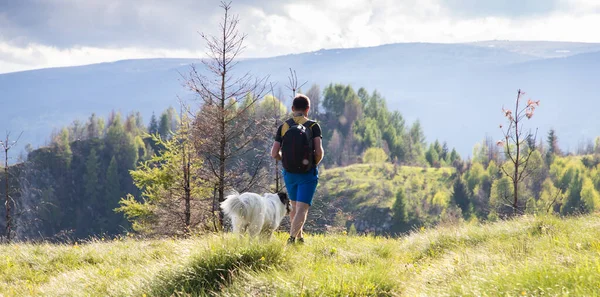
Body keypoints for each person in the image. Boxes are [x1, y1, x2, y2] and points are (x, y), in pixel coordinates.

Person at [271, 94, 324, 244]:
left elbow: (274, 153)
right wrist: (313, 163)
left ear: (293, 108)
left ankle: (300, 238)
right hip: (307, 173)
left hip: (289, 173)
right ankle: (292, 238)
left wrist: (285, 160)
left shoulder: (284, 127)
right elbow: (318, 151)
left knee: (294, 207)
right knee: (302, 209)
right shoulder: (313, 126)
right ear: (308, 109)